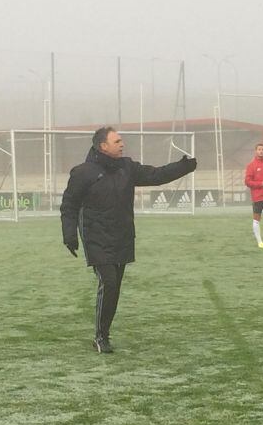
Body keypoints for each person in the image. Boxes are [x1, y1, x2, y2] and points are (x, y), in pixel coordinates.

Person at [60, 126, 197, 354]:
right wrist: (69, 234)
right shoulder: (83, 172)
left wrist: (184, 167)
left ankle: (104, 332)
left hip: (121, 235)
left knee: (115, 288)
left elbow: (156, 175)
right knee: (109, 282)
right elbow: (69, 205)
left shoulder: (127, 167)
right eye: (117, 141)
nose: (122, 144)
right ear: (103, 146)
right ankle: (101, 337)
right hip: (95, 236)